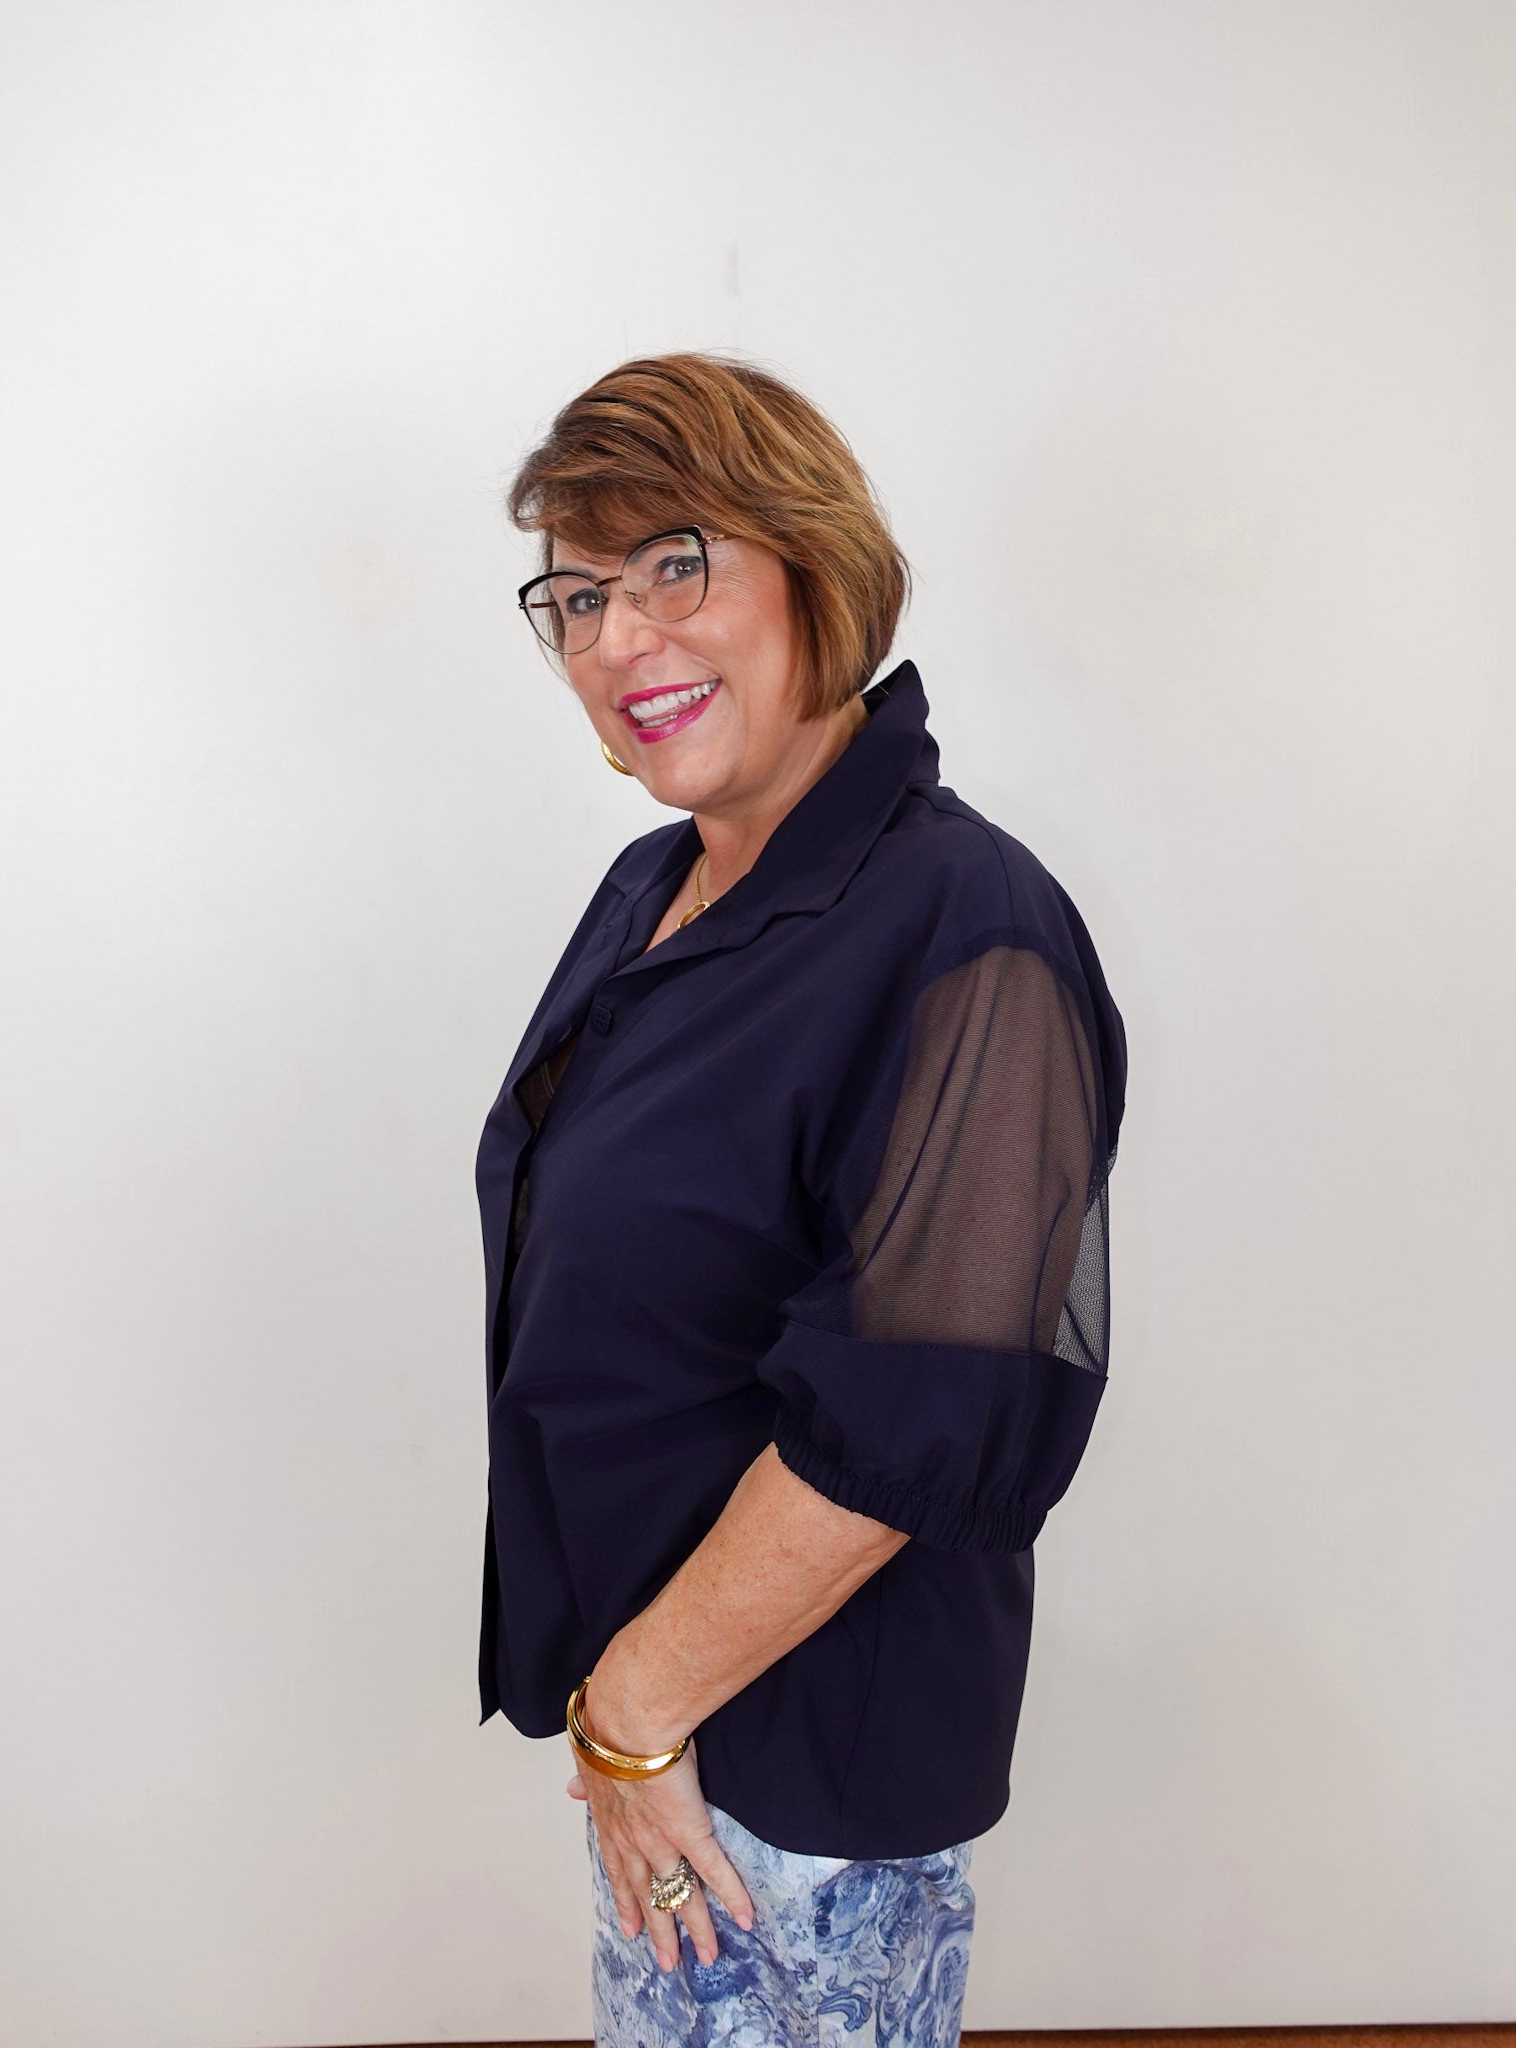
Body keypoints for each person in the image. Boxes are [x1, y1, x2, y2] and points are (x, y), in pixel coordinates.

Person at [475, 351, 1128, 2046]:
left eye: (672, 565)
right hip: (663, 1730)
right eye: (578, 597)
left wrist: (637, 1712)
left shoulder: (968, 926)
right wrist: (624, 1724)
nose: (620, 638)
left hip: (796, 1775)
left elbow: (915, 1416)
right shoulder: (657, 888)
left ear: (811, 565)